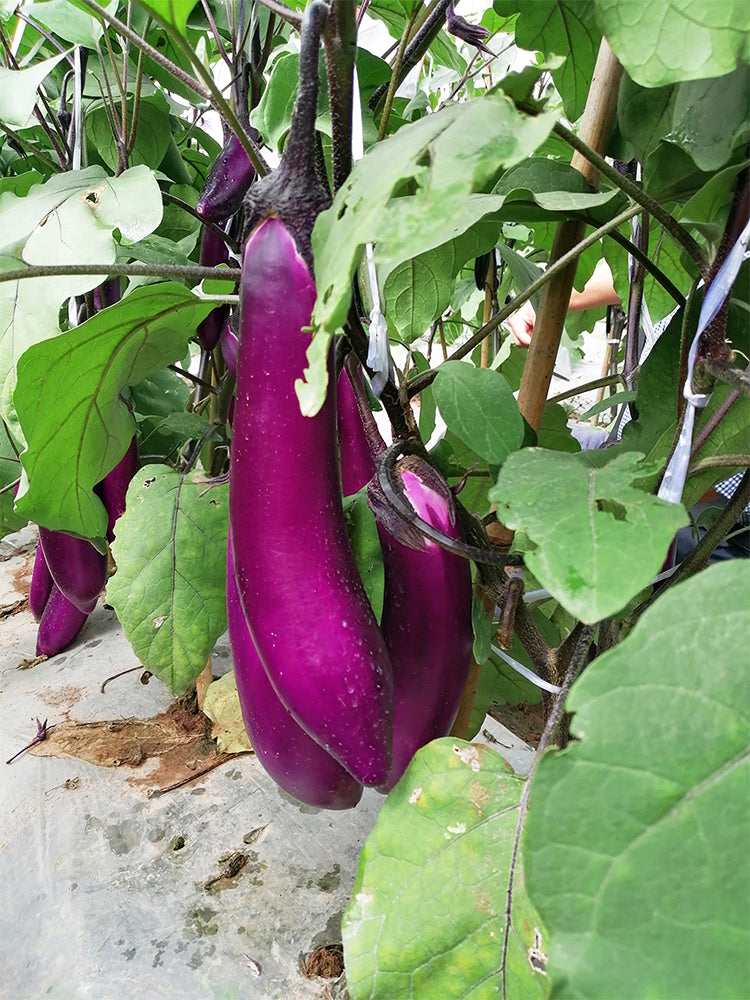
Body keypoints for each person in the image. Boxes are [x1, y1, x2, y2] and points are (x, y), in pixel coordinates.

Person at [504, 261, 749, 562]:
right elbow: (641, 267)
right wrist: (549, 299)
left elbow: (698, 484)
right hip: (636, 452)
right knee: (513, 456)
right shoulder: (730, 249)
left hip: (709, 513)